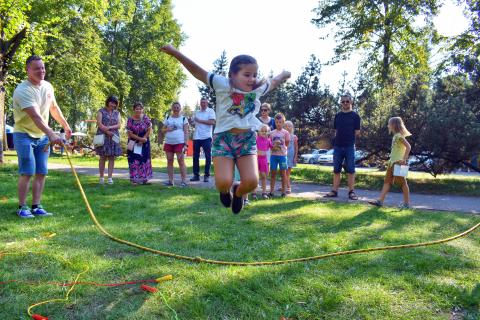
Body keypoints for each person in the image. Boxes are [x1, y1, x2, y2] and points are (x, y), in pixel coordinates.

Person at [160, 44, 290, 214]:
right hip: (223, 139)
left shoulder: (256, 89)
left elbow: (273, 82)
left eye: (254, 75)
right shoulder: (222, 83)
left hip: (246, 139)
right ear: (232, 75)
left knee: (251, 182)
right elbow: (197, 71)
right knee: (223, 182)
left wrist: (283, 74)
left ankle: (238, 192)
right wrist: (176, 53)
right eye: (247, 75)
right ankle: (225, 190)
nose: (252, 79)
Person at [12, 55, 72, 218]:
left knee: (41, 171)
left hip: (42, 136)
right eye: (37, 68)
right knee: (28, 171)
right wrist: (52, 135)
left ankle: (36, 206)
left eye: (43, 67)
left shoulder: (47, 86)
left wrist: (65, 125)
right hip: (23, 134)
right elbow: (36, 117)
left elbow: (53, 108)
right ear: (28, 70)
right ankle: (22, 207)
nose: (41, 71)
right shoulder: (22, 90)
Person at [369, 117, 412, 209]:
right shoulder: (396, 136)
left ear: (393, 125)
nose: (388, 125)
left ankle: (407, 204)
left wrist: (404, 159)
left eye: (389, 123)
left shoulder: (399, 136)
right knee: (387, 182)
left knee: (403, 183)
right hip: (392, 163)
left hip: (398, 163)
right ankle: (380, 201)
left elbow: (408, 147)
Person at [325, 94, 361, 200]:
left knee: (350, 170)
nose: (345, 103)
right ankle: (334, 191)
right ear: (341, 103)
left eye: (347, 101)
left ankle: (351, 192)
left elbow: (357, 132)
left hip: (350, 146)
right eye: (343, 101)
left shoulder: (355, 116)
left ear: (351, 102)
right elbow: (336, 130)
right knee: (336, 170)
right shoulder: (337, 115)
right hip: (338, 146)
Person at [95, 95, 122, 185]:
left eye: (115, 103)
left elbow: (119, 125)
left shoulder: (117, 113)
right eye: (111, 102)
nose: (113, 105)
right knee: (102, 157)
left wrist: (110, 128)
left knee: (111, 157)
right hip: (103, 136)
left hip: (113, 137)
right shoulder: (101, 111)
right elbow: (99, 124)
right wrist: (107, 131)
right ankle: (101, 177)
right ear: (108, 102)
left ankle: (110, 178)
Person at [163, 102, 189, 187]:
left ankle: (184, 181)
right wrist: (167, 129)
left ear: (180, 108)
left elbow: (186, 132)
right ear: (172, 108)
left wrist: (186, 144)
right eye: (174, 107)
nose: (176, 109)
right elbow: (162, 130)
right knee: (169, 161)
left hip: (180, 143)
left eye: (177, 107)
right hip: (169, 142)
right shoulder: (167, 118)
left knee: (180, 161)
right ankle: (171, 181)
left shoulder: (183, 118)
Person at [126, 102, 153, 185]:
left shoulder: (145, 118)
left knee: (144, 159)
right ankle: (134, 180)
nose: (138, 110)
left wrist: (143, 139)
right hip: (133, 142)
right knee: (133, 160)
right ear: (134, 110)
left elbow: (149, 129)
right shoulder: (130, 120)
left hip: (144, 143)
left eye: (140, 108)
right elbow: (129, 134)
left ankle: (145, 179)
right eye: (137, 108)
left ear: (142, 109)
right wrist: (140, 139)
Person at [190, 97, 216, 182]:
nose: (203, 104)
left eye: (204, 102)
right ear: (200, 103)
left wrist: (200, 120)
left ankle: (206, 175)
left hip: (206, 137)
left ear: (207, 103)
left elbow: (212, 122)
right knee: (195, 157)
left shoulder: (210, 111)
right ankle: (196, 175)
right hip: (196, 136)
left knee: (208, 156)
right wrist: (191, 122)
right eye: (202, 102)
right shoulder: (196, 112)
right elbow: (194, 124)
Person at [269, 113, 290, 197]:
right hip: (273, 156)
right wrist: (273, 147)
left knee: (283, 173)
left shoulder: (286, 133)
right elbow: (269, 144)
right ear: (275, 122)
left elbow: (287, 144)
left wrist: (281, 145)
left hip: (282, 156)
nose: (278, 124)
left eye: (280, 122)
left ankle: (283, 192)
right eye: (277, 122)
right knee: (273, 174)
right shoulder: (271, 133)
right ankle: (271, 191)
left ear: (283, 122)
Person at [255, 124, 272, 199]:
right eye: (262, 131)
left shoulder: (268, 140)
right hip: (256, 159)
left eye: (266, 131)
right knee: (256, 176)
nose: (264, 132)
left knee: (264, 176)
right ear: (259, 132)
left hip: (264, 159)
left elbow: (273, 147)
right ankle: (254, 192)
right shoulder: (256, 139)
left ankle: (264, 192)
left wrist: (278, 144)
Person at [285, 120, 298, 194]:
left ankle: (288, 187)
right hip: (283, 155)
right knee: (283, 171)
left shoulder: (294, 137)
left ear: (292, 128)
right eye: (286, 126)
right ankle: (285, 185)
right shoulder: (283, 135)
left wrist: (295, 157)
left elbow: (296, 147)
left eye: (289, 126)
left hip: (290, 156)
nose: (287, 127)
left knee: (287, 172)